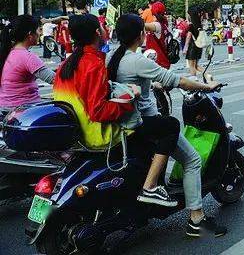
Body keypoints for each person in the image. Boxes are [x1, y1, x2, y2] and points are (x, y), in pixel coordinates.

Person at [106, 14, 227, 236]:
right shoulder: (137, 59)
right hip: (145, 123)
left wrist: (153, 84)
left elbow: (134, 81)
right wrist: (206, 87)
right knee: (192, 160)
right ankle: (196, 218)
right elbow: (178, 80)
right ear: (140, 34)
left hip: (124, 124)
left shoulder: (115, 58)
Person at [52, 14, 177, 206]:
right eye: (102, 27)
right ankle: (150, 187)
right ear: (97, 32)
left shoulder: (66, 65)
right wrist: (130, 99)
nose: (105, 30)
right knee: (170, 125)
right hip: (98, 133)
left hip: (77, 133)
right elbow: (99, 111)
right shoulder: (92, 64)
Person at [0, 15, 56, 109]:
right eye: (39, 30)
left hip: (6, 108)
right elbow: (55, 80)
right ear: (30, 34)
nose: (40, 34)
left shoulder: (8, 53)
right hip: (23, 111)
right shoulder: (28, 57)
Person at [184, 10, 205, 77]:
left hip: (192, 47)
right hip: (199, 46)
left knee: (191, 66)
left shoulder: (191, 25)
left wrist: (185, 47)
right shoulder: (200, 25)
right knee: (196, 65)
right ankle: (207, 74)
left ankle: (194, 80)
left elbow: (188, 37)